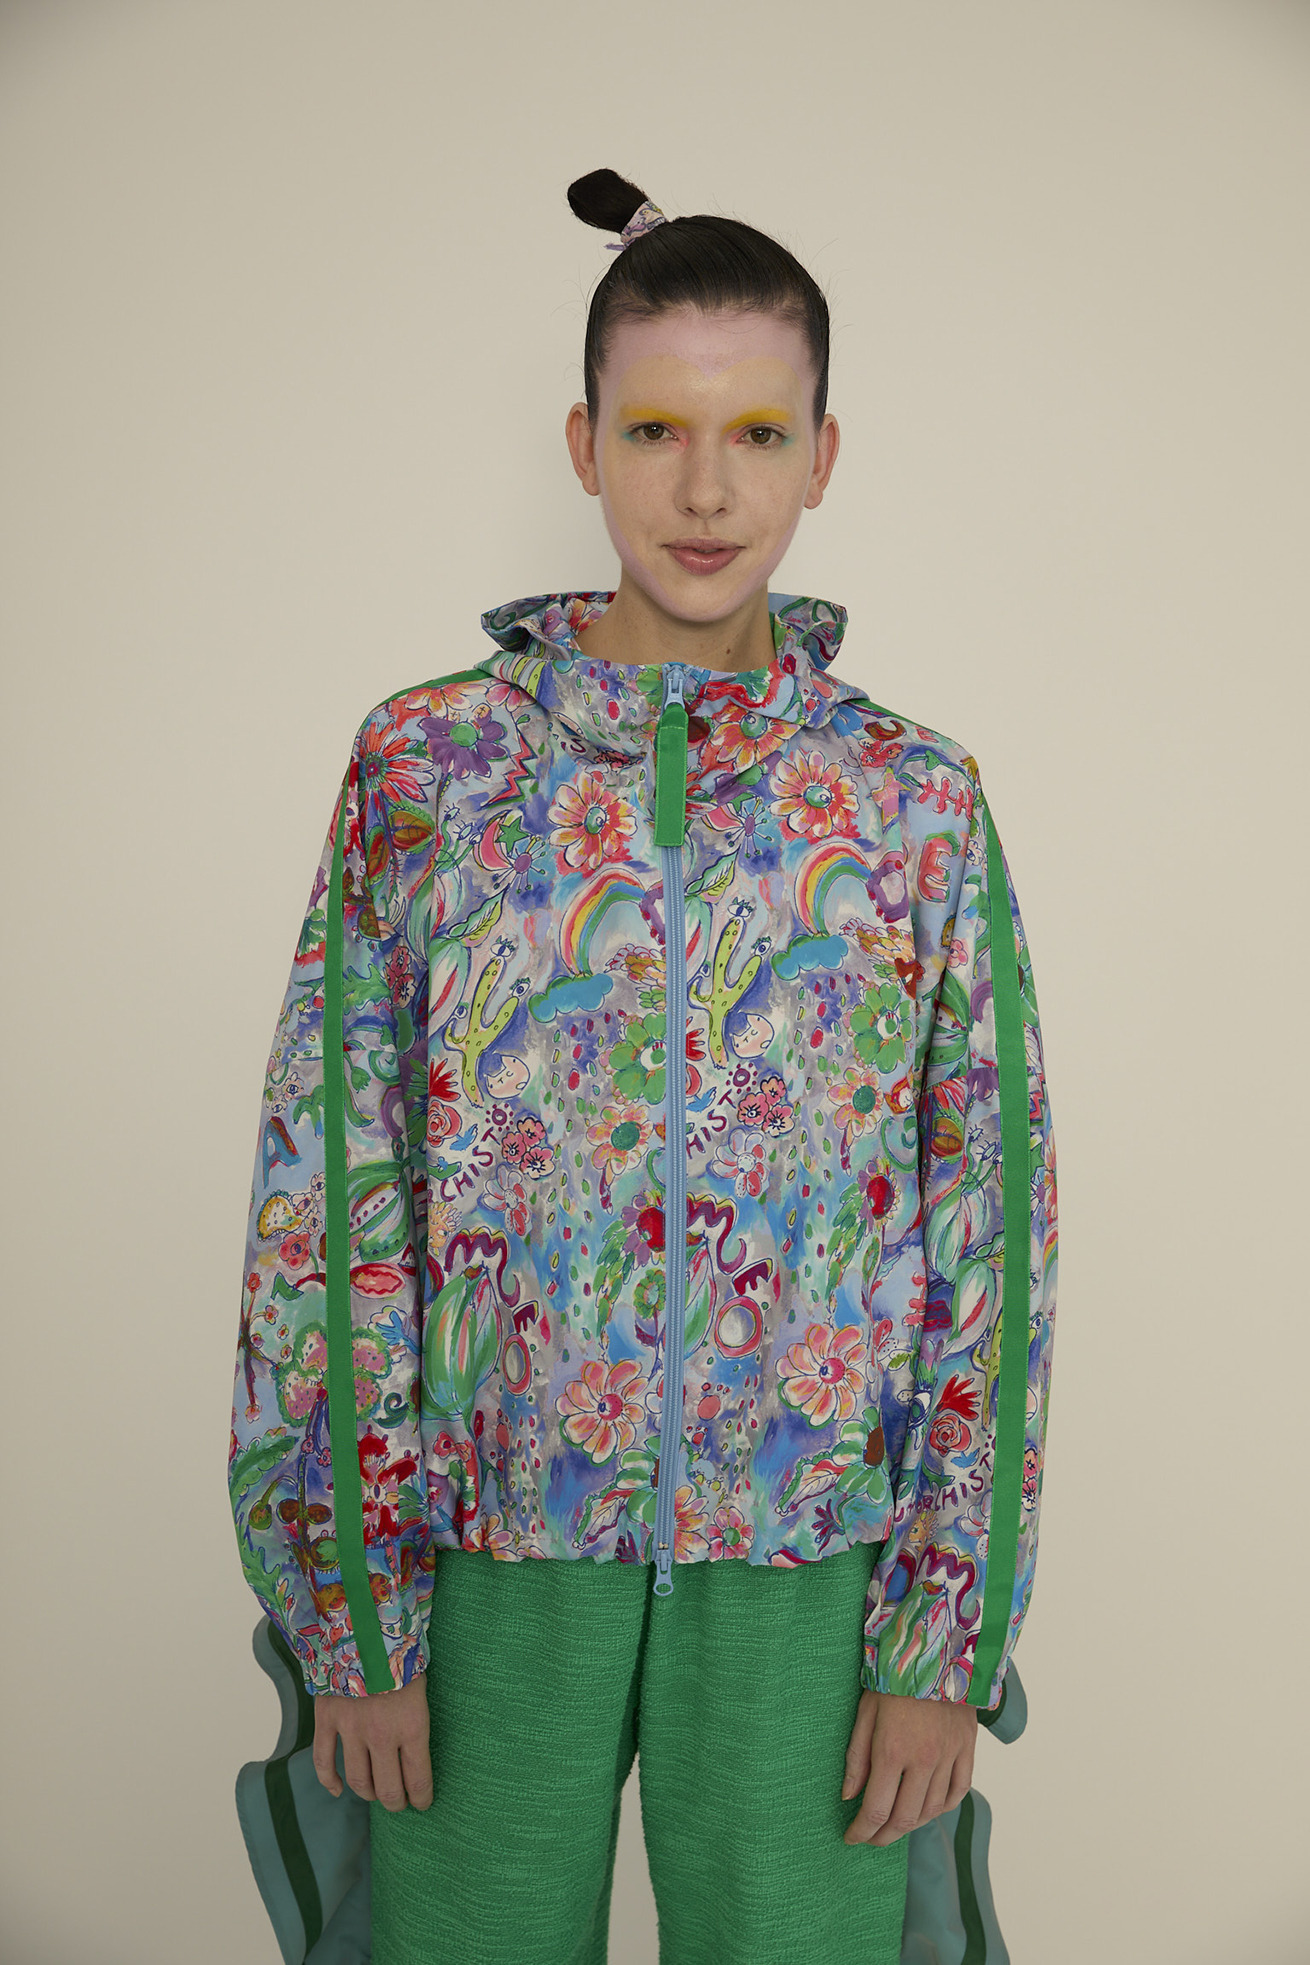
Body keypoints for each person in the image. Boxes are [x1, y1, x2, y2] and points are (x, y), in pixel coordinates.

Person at [228, 166, 1058, 1965]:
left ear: (822, 455)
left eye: (756, 433)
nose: (705, 489)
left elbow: (990, 1237)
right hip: (484, 1558)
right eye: (656, 430)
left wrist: (940, 1639)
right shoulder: (427, 772)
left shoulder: (911, 801)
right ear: (583, 445)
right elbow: (329, 1194)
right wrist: (353, 1608)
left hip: (806, 1568)